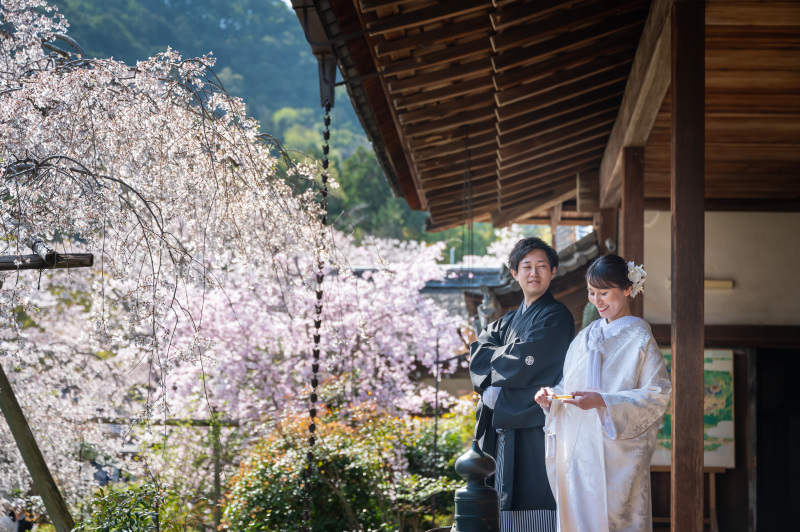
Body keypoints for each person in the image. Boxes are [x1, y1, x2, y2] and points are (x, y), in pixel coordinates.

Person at [535, 254, 672, 532]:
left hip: (614, 455)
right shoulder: (584, 337)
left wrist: (604, 402)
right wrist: (552, 398)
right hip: (577, 450)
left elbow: (657, 394)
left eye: (604, 293)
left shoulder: (640, 338)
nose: (596, 301)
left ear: (627, 289)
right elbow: (569, 385)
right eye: (591, 292)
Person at [470, 237, 574, 531]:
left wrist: (498, 389)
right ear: (514, 273)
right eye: (526, 266)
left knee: (535, 498)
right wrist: (504, 373)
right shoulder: (507, 321)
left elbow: (532, 359)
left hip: (536, 424)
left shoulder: (557, 316)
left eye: (541, 266)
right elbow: (478, 352)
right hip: (504, 427)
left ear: (553, 271)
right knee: (500, 503)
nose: (534, 273)